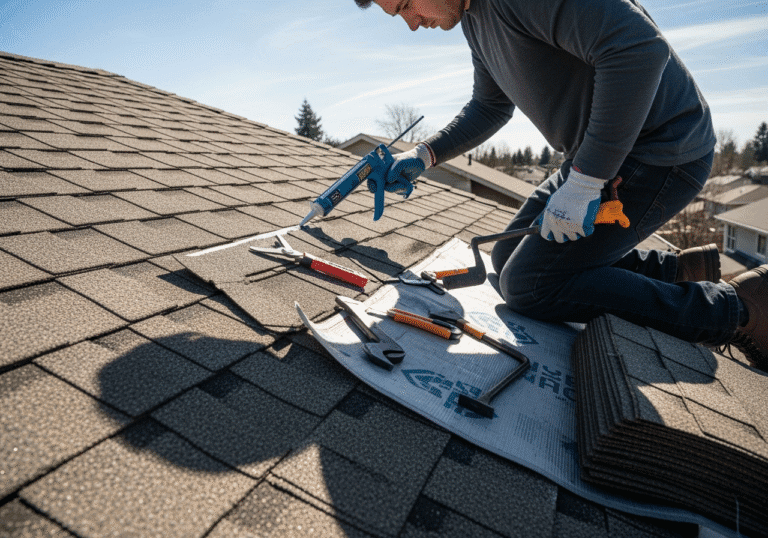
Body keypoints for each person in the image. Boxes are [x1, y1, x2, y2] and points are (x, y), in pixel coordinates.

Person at [355, 0, 768, 372]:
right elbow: (490, 105)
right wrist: (424, 155)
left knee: (530, 285)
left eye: (406, 5)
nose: (412, 24)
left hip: (659, 151)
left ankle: (739, 311)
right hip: (599, 156)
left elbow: (639, 48)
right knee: (506, 256)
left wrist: (587, 181)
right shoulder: (473, 17)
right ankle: (677, 271)